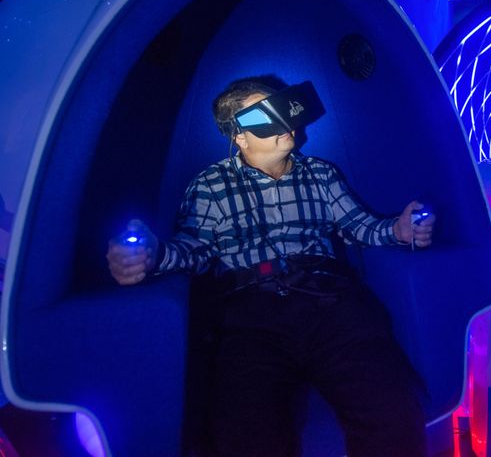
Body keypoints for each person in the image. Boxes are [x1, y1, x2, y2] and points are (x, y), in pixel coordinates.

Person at [106, 78, 435, 455]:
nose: (286, 121)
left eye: (283, 108)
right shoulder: (210, 185)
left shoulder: (321, 174)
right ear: (240, 135)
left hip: (331, 304)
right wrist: (150, 256)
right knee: (246, 435)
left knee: (391, 412)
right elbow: (194, 249)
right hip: (251, 317)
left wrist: (399, 228)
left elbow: (360, 226)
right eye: (266, 114)